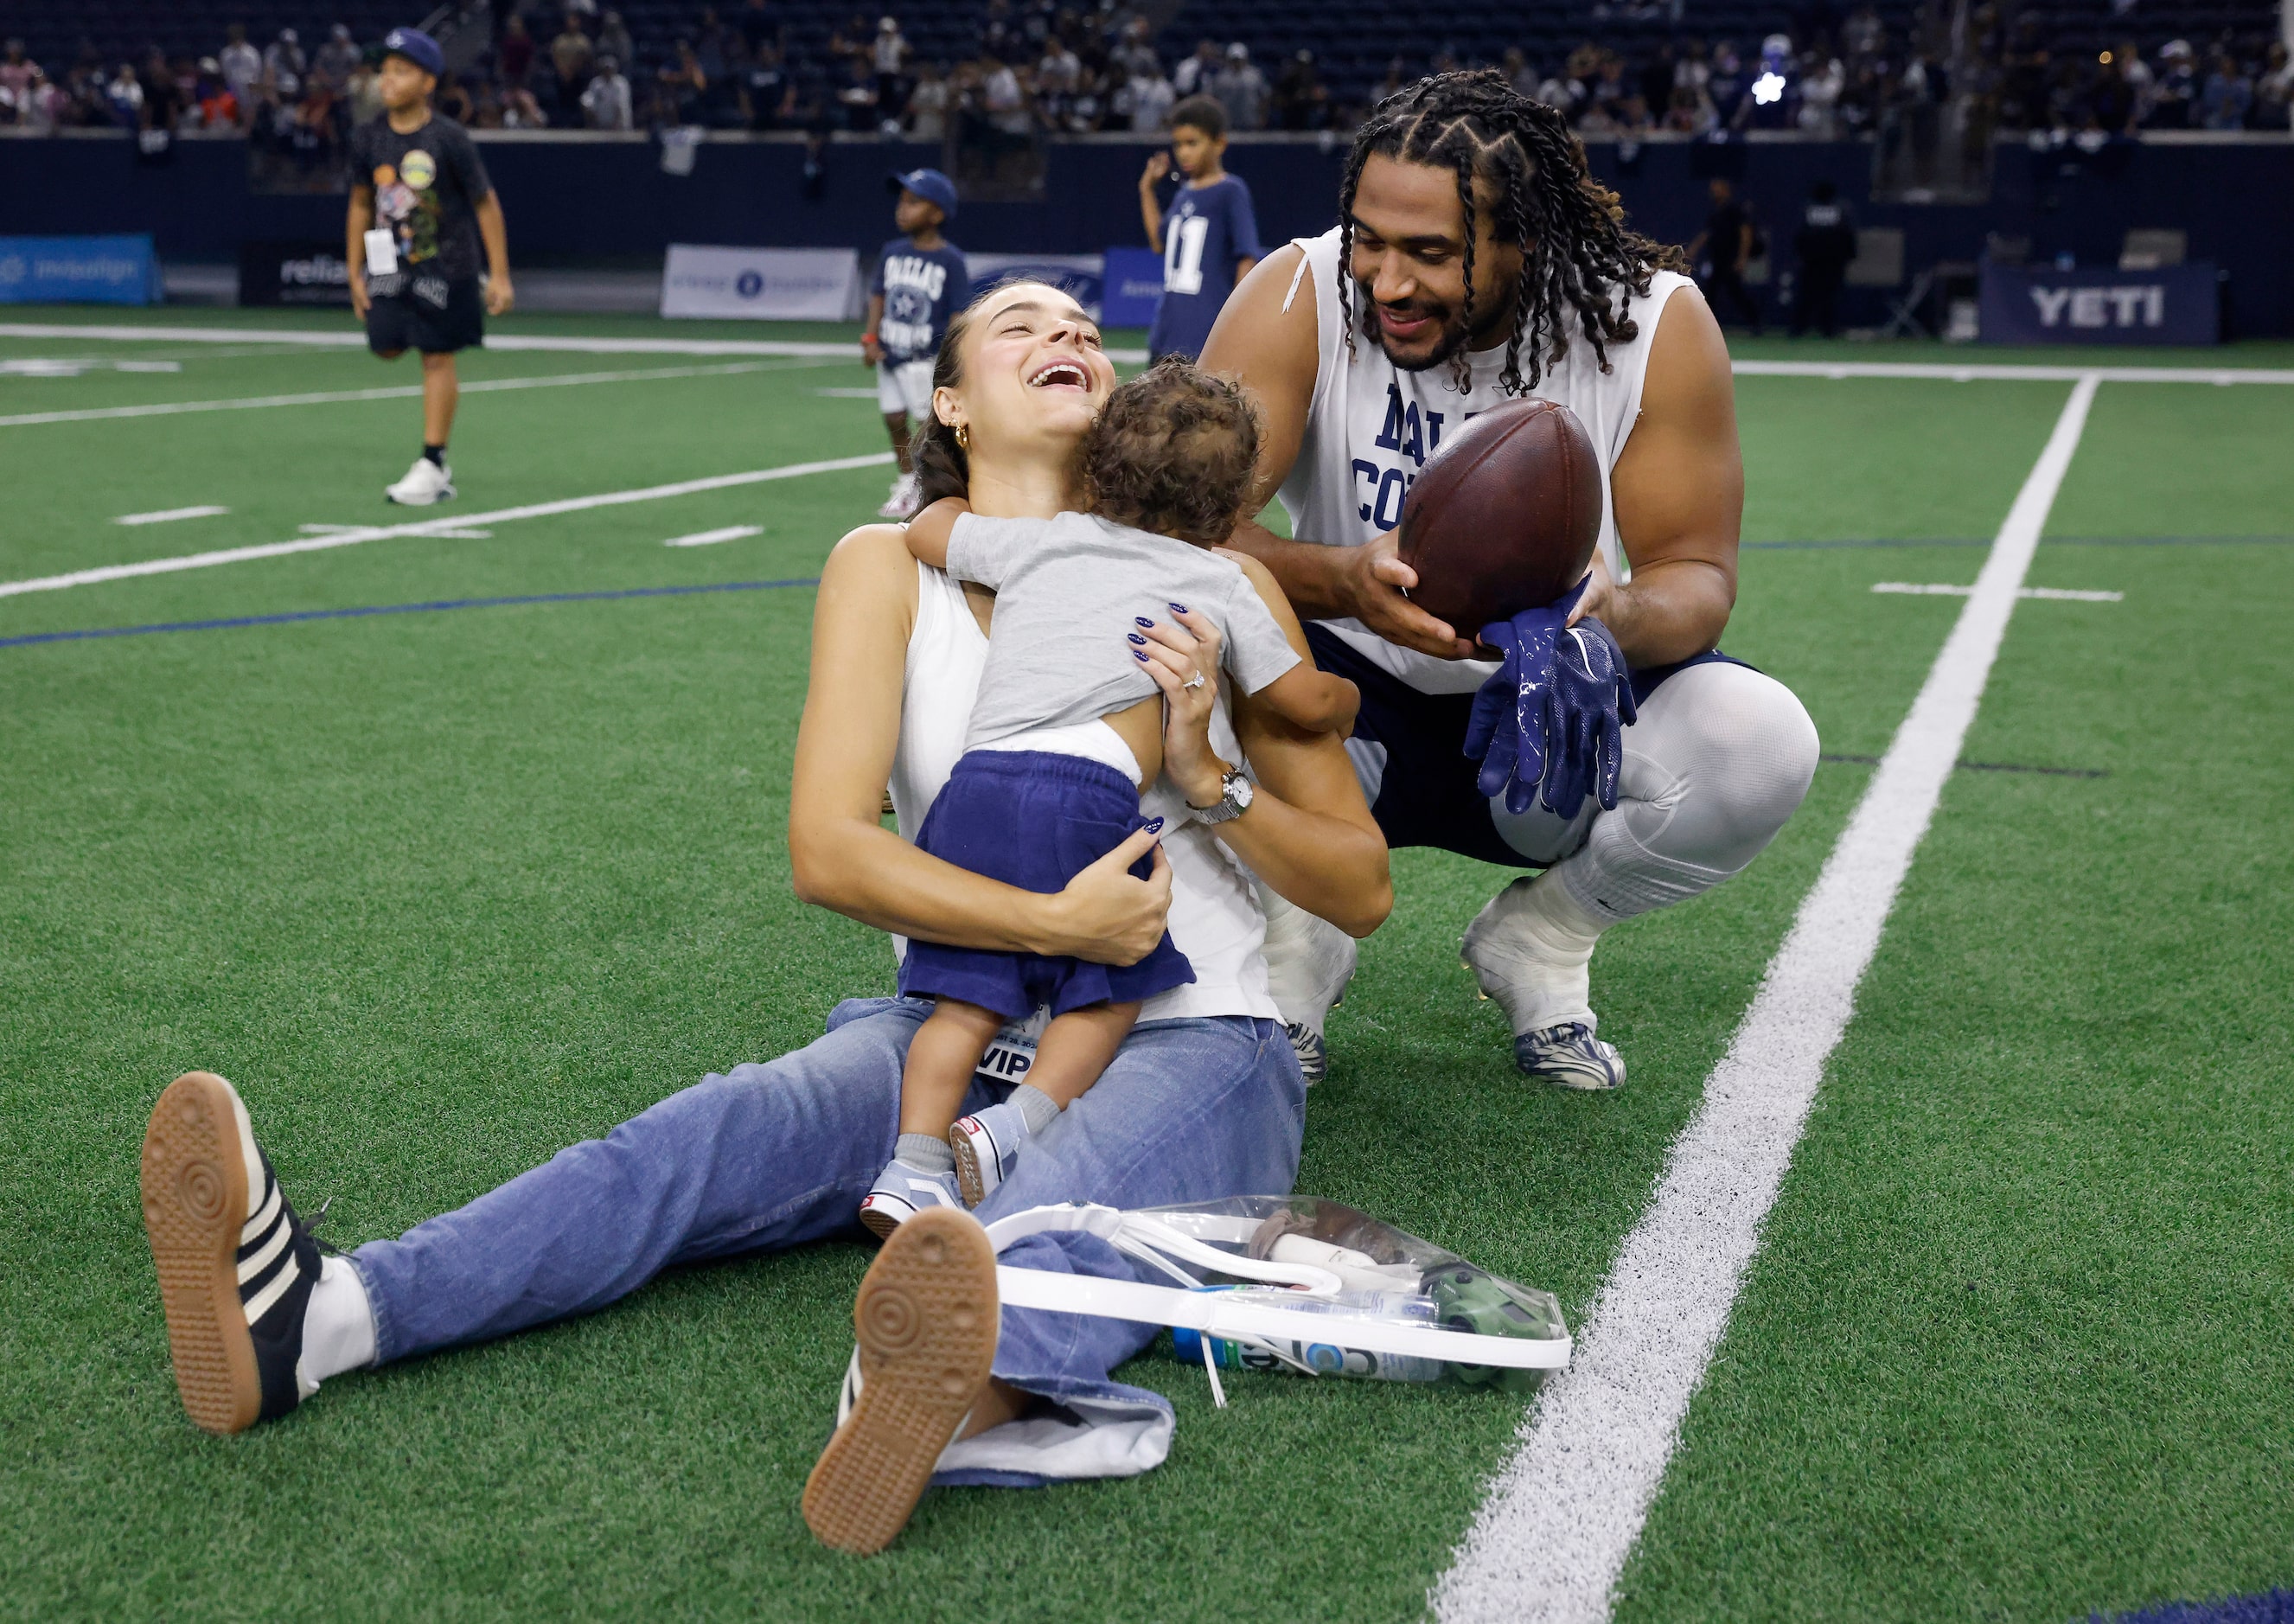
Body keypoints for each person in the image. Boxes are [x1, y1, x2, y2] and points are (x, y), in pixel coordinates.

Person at [134, 278, 1390, 1555]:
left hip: (1193, 1032)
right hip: (951, 1016)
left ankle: (951, 1392)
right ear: (946, 400)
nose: (1065, 334)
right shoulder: (887, 566)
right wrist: (1052, 923)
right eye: (1019, 323)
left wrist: (1209, 781)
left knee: (1044, 1210)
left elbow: (1360, 886)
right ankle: (325, 1313)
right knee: (695, 1141)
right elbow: (829, 849)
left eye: (1082, 326)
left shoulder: (1215, 578)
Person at [1199, 69, 1818, 1090]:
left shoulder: (1648, 322)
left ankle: (1545, 937)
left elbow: (1697, 576)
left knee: (1759, 743)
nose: (1387, 282)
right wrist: (1338, 581)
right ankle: (1296, 938)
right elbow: (1181, 527)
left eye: (1431, 253)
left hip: (1546, 717)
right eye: (1370, 238)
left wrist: (1612, 612)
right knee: (1165, 637)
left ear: (1526, 240)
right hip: (1336, 707)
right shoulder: (1299, 290)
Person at [866, 360, 1362, 1230]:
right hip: (1089, 795)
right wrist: (1348, 697)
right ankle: (1018, 1126)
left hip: (972, 793)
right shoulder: (1221, 580)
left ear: (1097, 473)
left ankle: (909, 1169)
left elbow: (927, 529)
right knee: (1113, 986)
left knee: (965, 1002)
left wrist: (959, 509)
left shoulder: (1041, 541)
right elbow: (1300, 702)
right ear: (1228, 513)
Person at [346, 27, 515, 505]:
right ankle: (434, 464)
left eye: (401, 71)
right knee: (386, 346)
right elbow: (361, 203)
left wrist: (499, 273)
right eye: (384, 71)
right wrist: (353, 268)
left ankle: (433, 463)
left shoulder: (449, 139)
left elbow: (486, 204)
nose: (387, 80)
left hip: (447, 265)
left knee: (436, 355)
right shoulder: (366, 138)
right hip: (388, 264)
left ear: (428, 83)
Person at [864, 167, 970, 518]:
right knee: (893, 417)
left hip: (925, 358)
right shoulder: (892, 252)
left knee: (930, 427)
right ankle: (906, 479)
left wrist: (950, 357)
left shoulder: (950, 260)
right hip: (890, 354)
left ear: (937, 214)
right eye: (901, 201)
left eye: (913, 202)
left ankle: (939, 485)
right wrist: (870, 336)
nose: (902, 209)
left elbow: (958, 312)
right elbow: (879, 295)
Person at [1139, 95, 1262, 362]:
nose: (1183, 152)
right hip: (1167, 332)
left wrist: (1235, 324)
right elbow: (1159, 244)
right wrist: (1147, 190)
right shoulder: (1184, 194)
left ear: (1219, 143)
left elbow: (1247, 258)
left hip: (1204, 335)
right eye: (1178, 144)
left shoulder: (1230, 191)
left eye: (1192, 143)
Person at [1688, 176, 1762, 334]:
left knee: (1737, 294)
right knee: (1710, 294)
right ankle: (1707, 328)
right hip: (1717, 260)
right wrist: (1693, 249)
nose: (1714, 191)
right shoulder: (1716, 212)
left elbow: (1746, 233)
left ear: (1726, 190)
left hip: (1731, 260)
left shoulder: (1735, 211)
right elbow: (1707, 234)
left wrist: (1742, 258)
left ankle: (1755, 323)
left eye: (1717, 188)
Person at [1790, 177, 1856, 337]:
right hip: (1830, 262)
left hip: (1813, 261)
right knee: (1828, 296)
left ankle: (1801, 328)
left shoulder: (1808, 209)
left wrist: (1800, 255)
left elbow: (1800, 235)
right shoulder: (1841, 209)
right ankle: (1827, 328)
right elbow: (1848, 234)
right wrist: (1850, 254)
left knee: (1809, 296)